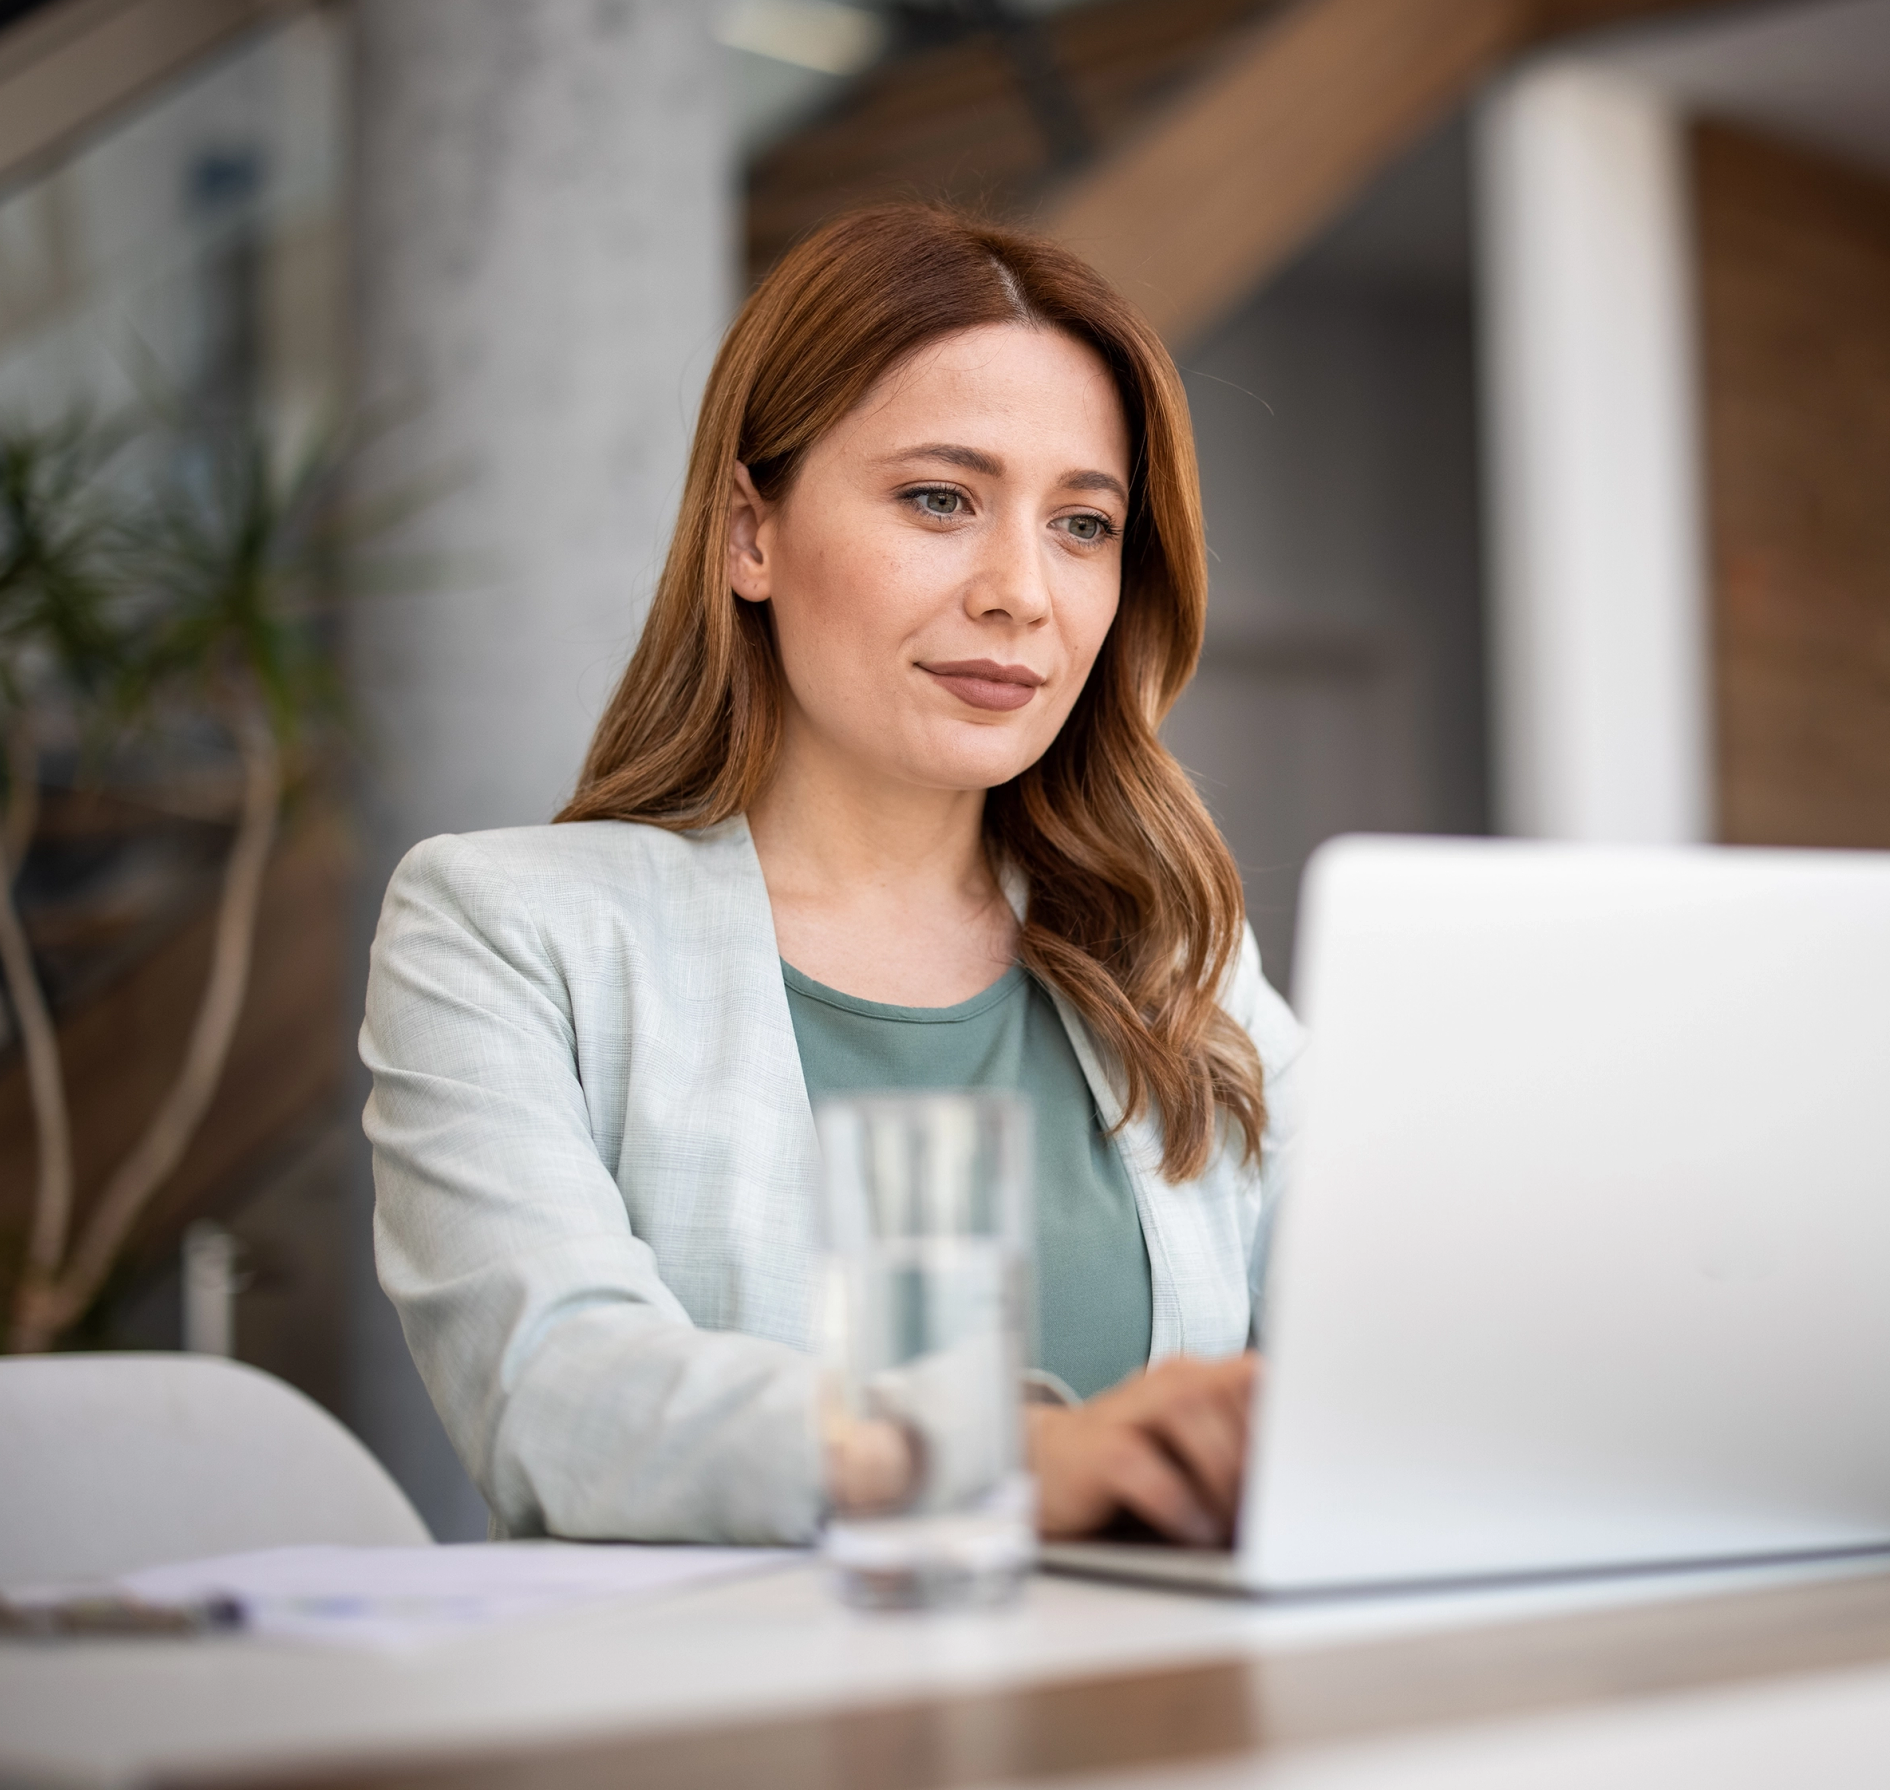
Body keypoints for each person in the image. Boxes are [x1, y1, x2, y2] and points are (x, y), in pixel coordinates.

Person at [361, 205, 1302, 1548]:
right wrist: (1020, 1455)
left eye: (1084, 524)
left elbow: (1393, 1324)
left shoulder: (1173, 956)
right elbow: (556, 1394)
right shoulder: (507, 931)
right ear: (751, 534)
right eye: (939, 499)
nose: (1021, 592)